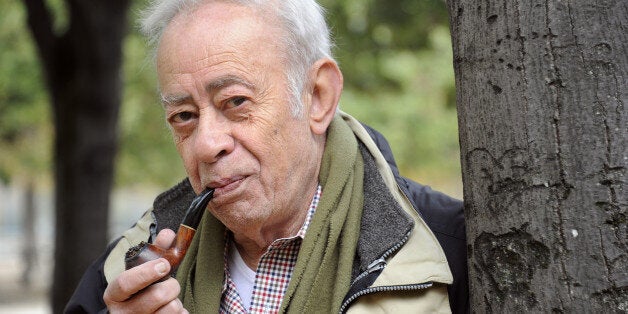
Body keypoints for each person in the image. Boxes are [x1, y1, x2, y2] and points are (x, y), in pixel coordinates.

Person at [65, 0, 468, 313]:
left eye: (236, 101)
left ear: (318, 97)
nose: (206, 145)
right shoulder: (127, 272)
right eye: (184, 116)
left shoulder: (452, 252)